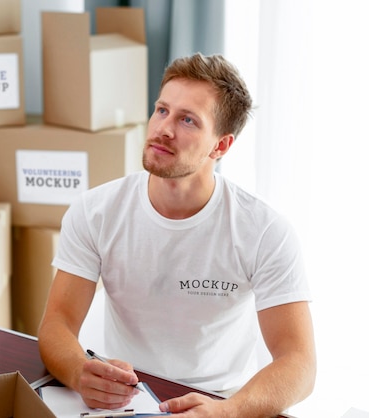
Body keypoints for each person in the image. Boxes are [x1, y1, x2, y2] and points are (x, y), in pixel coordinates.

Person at [37, 53, 316, 417]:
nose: (163, 129)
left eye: (188, 120)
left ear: (221, 146)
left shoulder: (264, 231)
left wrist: (229, 411)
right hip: (129, 392)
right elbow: (57, 322)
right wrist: (78, 372)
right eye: (162, 110)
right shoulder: (95, 211)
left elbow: (300, 362)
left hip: (222, 396)